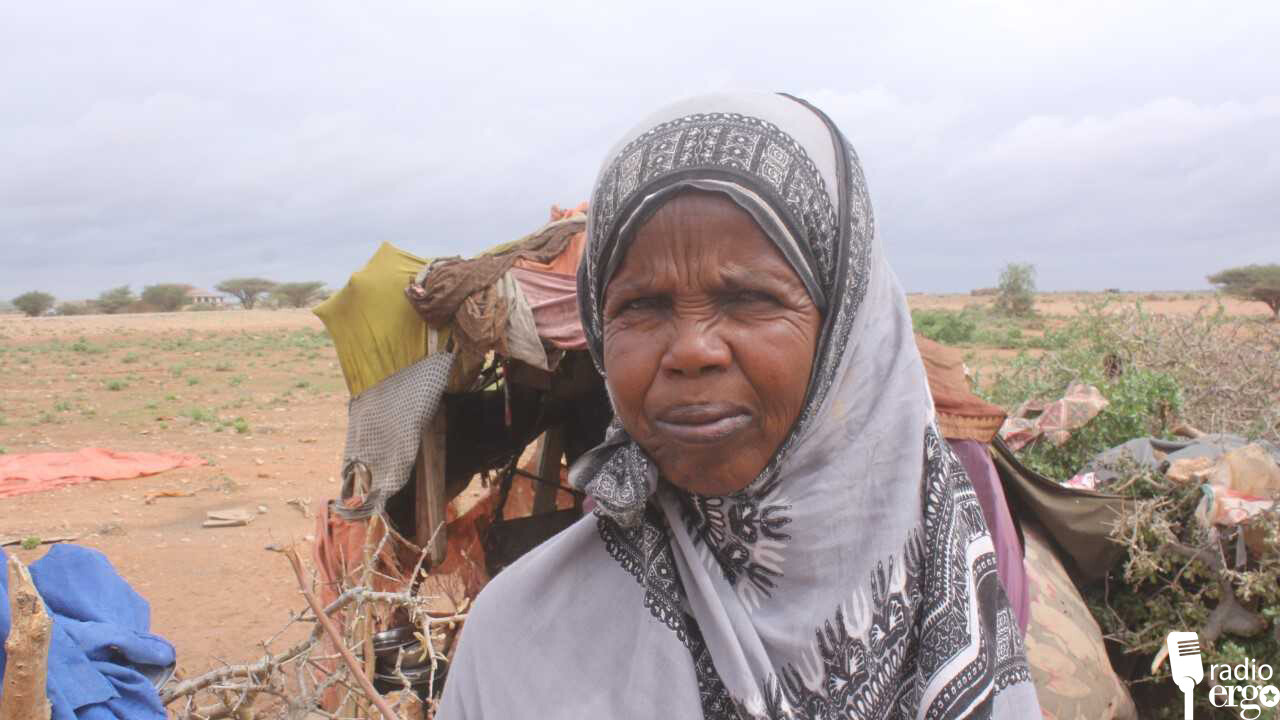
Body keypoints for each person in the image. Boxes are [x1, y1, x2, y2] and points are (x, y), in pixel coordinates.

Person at [439, 93, 1040, 718]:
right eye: (641, 306)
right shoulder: (517, 646)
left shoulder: (954, 582)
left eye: (749, 297)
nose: (692, 350)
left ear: (844, 332)